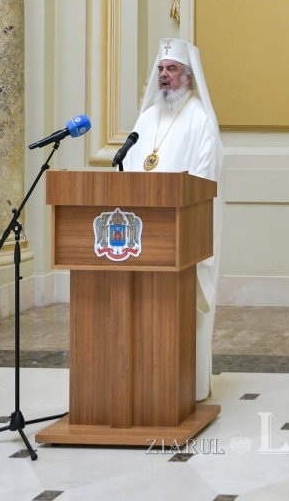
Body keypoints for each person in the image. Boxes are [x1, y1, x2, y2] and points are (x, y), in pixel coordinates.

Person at [120, 39, 223, 400]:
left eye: (172, 69)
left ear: (189, 76)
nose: (164, 76)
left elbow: (203, 181)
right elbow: (130, 167)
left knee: (179, 310)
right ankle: (143, 384)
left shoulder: (201, 121)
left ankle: (183, 387)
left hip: (181, 238)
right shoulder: (146, 119)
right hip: (140, 238)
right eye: (161, 69)